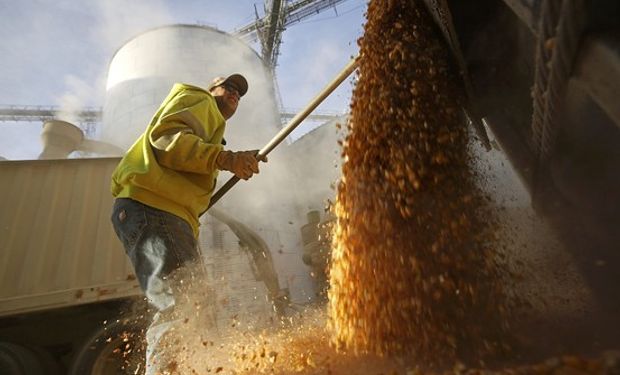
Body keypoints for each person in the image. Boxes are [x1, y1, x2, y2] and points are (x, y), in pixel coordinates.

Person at [109, 73, 264, 373]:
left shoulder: (212, 127)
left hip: (160, 212)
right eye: (228, 87)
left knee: (195, 305)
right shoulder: (200, 100)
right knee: (183, 307)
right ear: (212, 89)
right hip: (155, 207)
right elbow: (167, 140)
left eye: (239, 93)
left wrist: (228, 158)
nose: (234, 94)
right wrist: (227, 158)